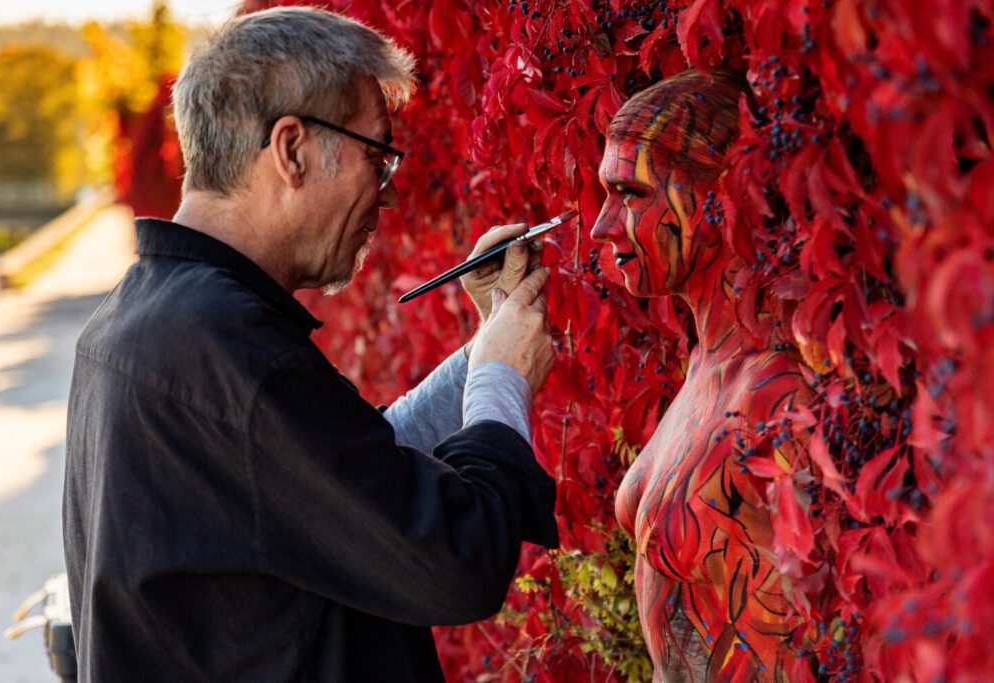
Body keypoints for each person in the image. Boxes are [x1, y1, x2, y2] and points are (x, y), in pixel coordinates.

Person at [63, 7, 558, 681]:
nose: (387, 196)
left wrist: (485, 348)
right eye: (377, 156)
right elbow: (455, 561)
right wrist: (503, 380)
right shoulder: (227, 349)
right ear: (292, 150)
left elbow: (342, 481)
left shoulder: (137, 320)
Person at [590, 69, 812, 680]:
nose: (600, 227)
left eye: (630, 194)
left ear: (716, 199)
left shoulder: (776, 390)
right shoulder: (705, 367)